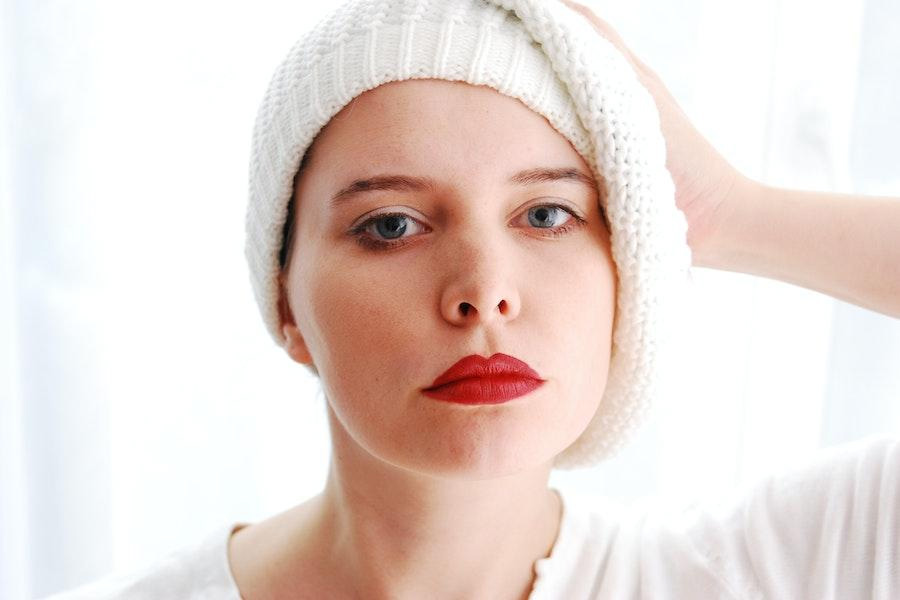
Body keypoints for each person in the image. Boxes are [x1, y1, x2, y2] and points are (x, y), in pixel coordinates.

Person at [46, 0, 899, 598]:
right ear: (287, 306)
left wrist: (729, 218)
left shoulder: (782, 573)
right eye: (391, 227)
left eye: (546, 214)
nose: (483, 293)